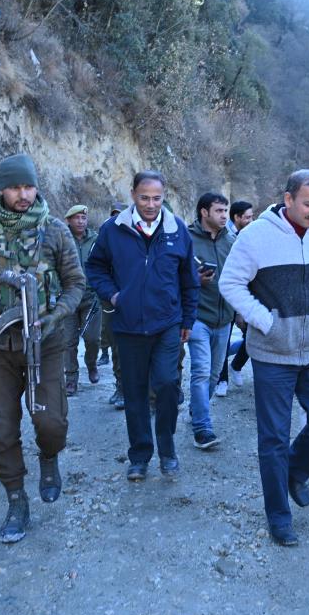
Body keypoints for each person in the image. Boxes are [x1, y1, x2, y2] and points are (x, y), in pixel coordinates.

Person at [0, 153, 85, 543]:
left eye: (28, 186)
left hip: (46, 342)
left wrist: (56, 315)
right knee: (3, 428)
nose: (23, 195)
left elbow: (76, 283)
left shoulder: (55, 230)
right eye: (14, 187)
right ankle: (16, 499)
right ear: (1, 188)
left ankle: (49, 456)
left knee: (50, 422)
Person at [220, 169, 309, 547]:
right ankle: (279, 516)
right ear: (287, 198)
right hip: (273, 353)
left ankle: (296, 469)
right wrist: (264, 321)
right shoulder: (255, 236)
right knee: (272, 437)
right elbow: (230, 283)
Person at [85, 171, 199, 481]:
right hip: (128, 326)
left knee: (166, 385)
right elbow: (94, 267)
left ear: (164, 197)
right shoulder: (113, 229)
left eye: (157, 197)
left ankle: (167, 450)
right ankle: (140, 456)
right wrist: (113, 294)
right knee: (134, 393)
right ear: (133, 194)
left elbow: (190, 281)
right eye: (145, 197)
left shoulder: (178, 231)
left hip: (167, 324)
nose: (151, 204)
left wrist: (187, 318)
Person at [187, 192, 236, 449]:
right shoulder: (186, 238)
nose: (224, 216)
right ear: (204, 212)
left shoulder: (233, 239)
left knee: (215, 375)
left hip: (225, 318)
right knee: (202, 372)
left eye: (225, 210)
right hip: (197, 317)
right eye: (218, 211)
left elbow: (242, 275)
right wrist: (195, 279)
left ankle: (197, 408)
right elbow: (172, 275)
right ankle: (203, 428)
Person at [215, 200, 255, 396]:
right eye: (247, 217)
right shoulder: (228, 238)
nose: (250, 220)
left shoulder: (252, 236)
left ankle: (236, 365)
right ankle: (222, 379)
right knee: (223, 340)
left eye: (252, 217)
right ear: (237, 218)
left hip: (246, 298)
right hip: (224, 299)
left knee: (252, 337)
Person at [62, 204, 101, 395]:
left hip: (91, 297)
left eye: (83, 218)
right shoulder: (61, 239)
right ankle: (71, 378)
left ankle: (91, 364)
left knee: (93, 338)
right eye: (76, 218)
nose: (80, 221)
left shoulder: (96, 240)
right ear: (68, 220)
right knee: (68, 341)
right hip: (68, 298)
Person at [99, 201, 127, 407]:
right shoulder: (105, 236)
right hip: (112, 301)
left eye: (121, 214)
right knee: (117, 348)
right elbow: (96, 268)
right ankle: (121, 388)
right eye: (114, 214)